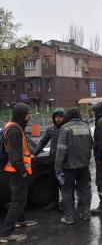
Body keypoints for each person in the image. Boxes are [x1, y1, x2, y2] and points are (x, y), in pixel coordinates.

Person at [0, 103, 38, 243]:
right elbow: (15, 157)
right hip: (16, 172)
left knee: (18, 198)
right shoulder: (15, 130)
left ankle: (21, 220)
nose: (30, 116)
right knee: (18, 201)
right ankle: (6, 233)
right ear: (22, 115)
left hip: (14, 171)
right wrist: (22, 173)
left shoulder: (14, 126)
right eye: (28, 114)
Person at [55, 107, 93, 225]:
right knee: (85, 189)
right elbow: (90, 145)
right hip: (84, 166)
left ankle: (69, 218)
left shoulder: (65, 128)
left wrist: (58, 166)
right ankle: (86, 214)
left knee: (67, 191)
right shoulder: (86, 126)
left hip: (68, 167)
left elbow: (61, 149)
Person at [32, 108, 65, 212]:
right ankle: (54, 203)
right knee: (52, 183)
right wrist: (34, 154)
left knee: (64, 184)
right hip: (52, 160)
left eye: (60, 117)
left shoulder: (67, 128)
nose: (58, 119)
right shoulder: (50, 129)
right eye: (56, 117)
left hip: (64, 161)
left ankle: (66, 204)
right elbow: (42, 142)